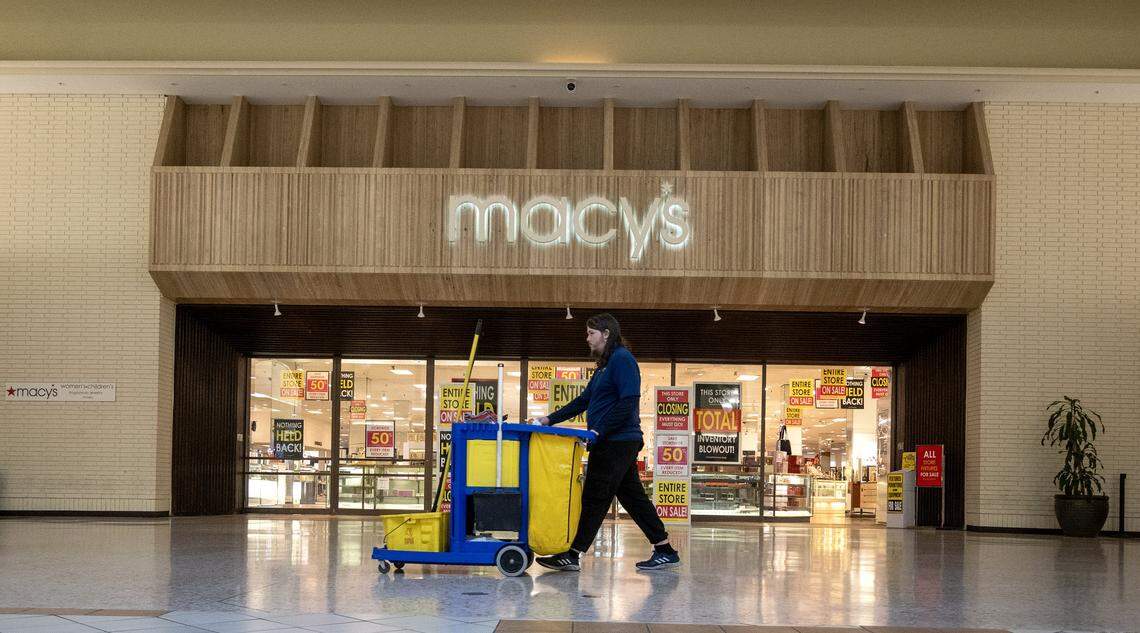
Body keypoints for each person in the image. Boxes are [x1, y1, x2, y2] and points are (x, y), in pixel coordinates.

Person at [529, 313, 681, 572]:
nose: (586, 338)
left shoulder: (622, 359)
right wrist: (548, 419)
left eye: (591, 333)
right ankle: (664, 549)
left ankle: (572, 554)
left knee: (595, 496)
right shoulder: (604, 366)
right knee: (633, 498)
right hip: (612, 441)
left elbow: (629, 401)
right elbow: (583, 400)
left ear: (606, 333)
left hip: (617, 441)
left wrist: (599, 430)